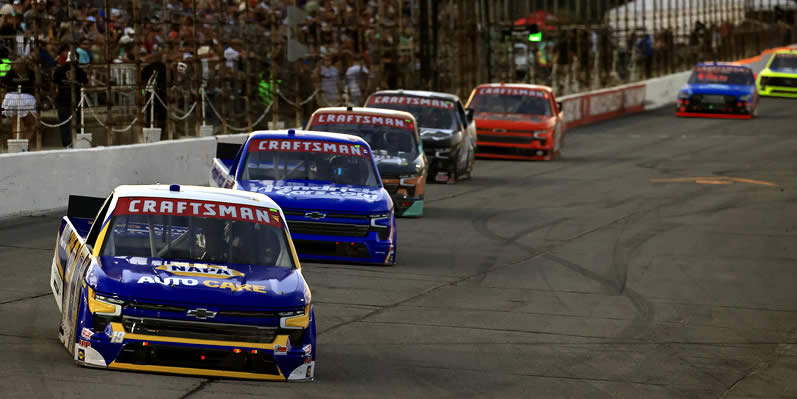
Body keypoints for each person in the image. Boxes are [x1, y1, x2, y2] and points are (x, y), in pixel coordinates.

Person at [53, 51, 88, 148]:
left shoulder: (59, 70)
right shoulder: (80, 71)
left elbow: (55, 82)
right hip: (75, 99)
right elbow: (85, 82)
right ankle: (77, 142)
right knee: (77, 122)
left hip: (63, 99)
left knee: (64, 123)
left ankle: (67, 144)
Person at [1, 57, 37, 141]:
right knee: (32, 123)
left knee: (16, 124)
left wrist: (3, 100)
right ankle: (25, 143)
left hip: (11, 99)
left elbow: (4, 88)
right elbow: (36, 87)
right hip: (27, 99)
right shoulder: (31, 73)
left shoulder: (10, 73)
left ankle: (18, 145)